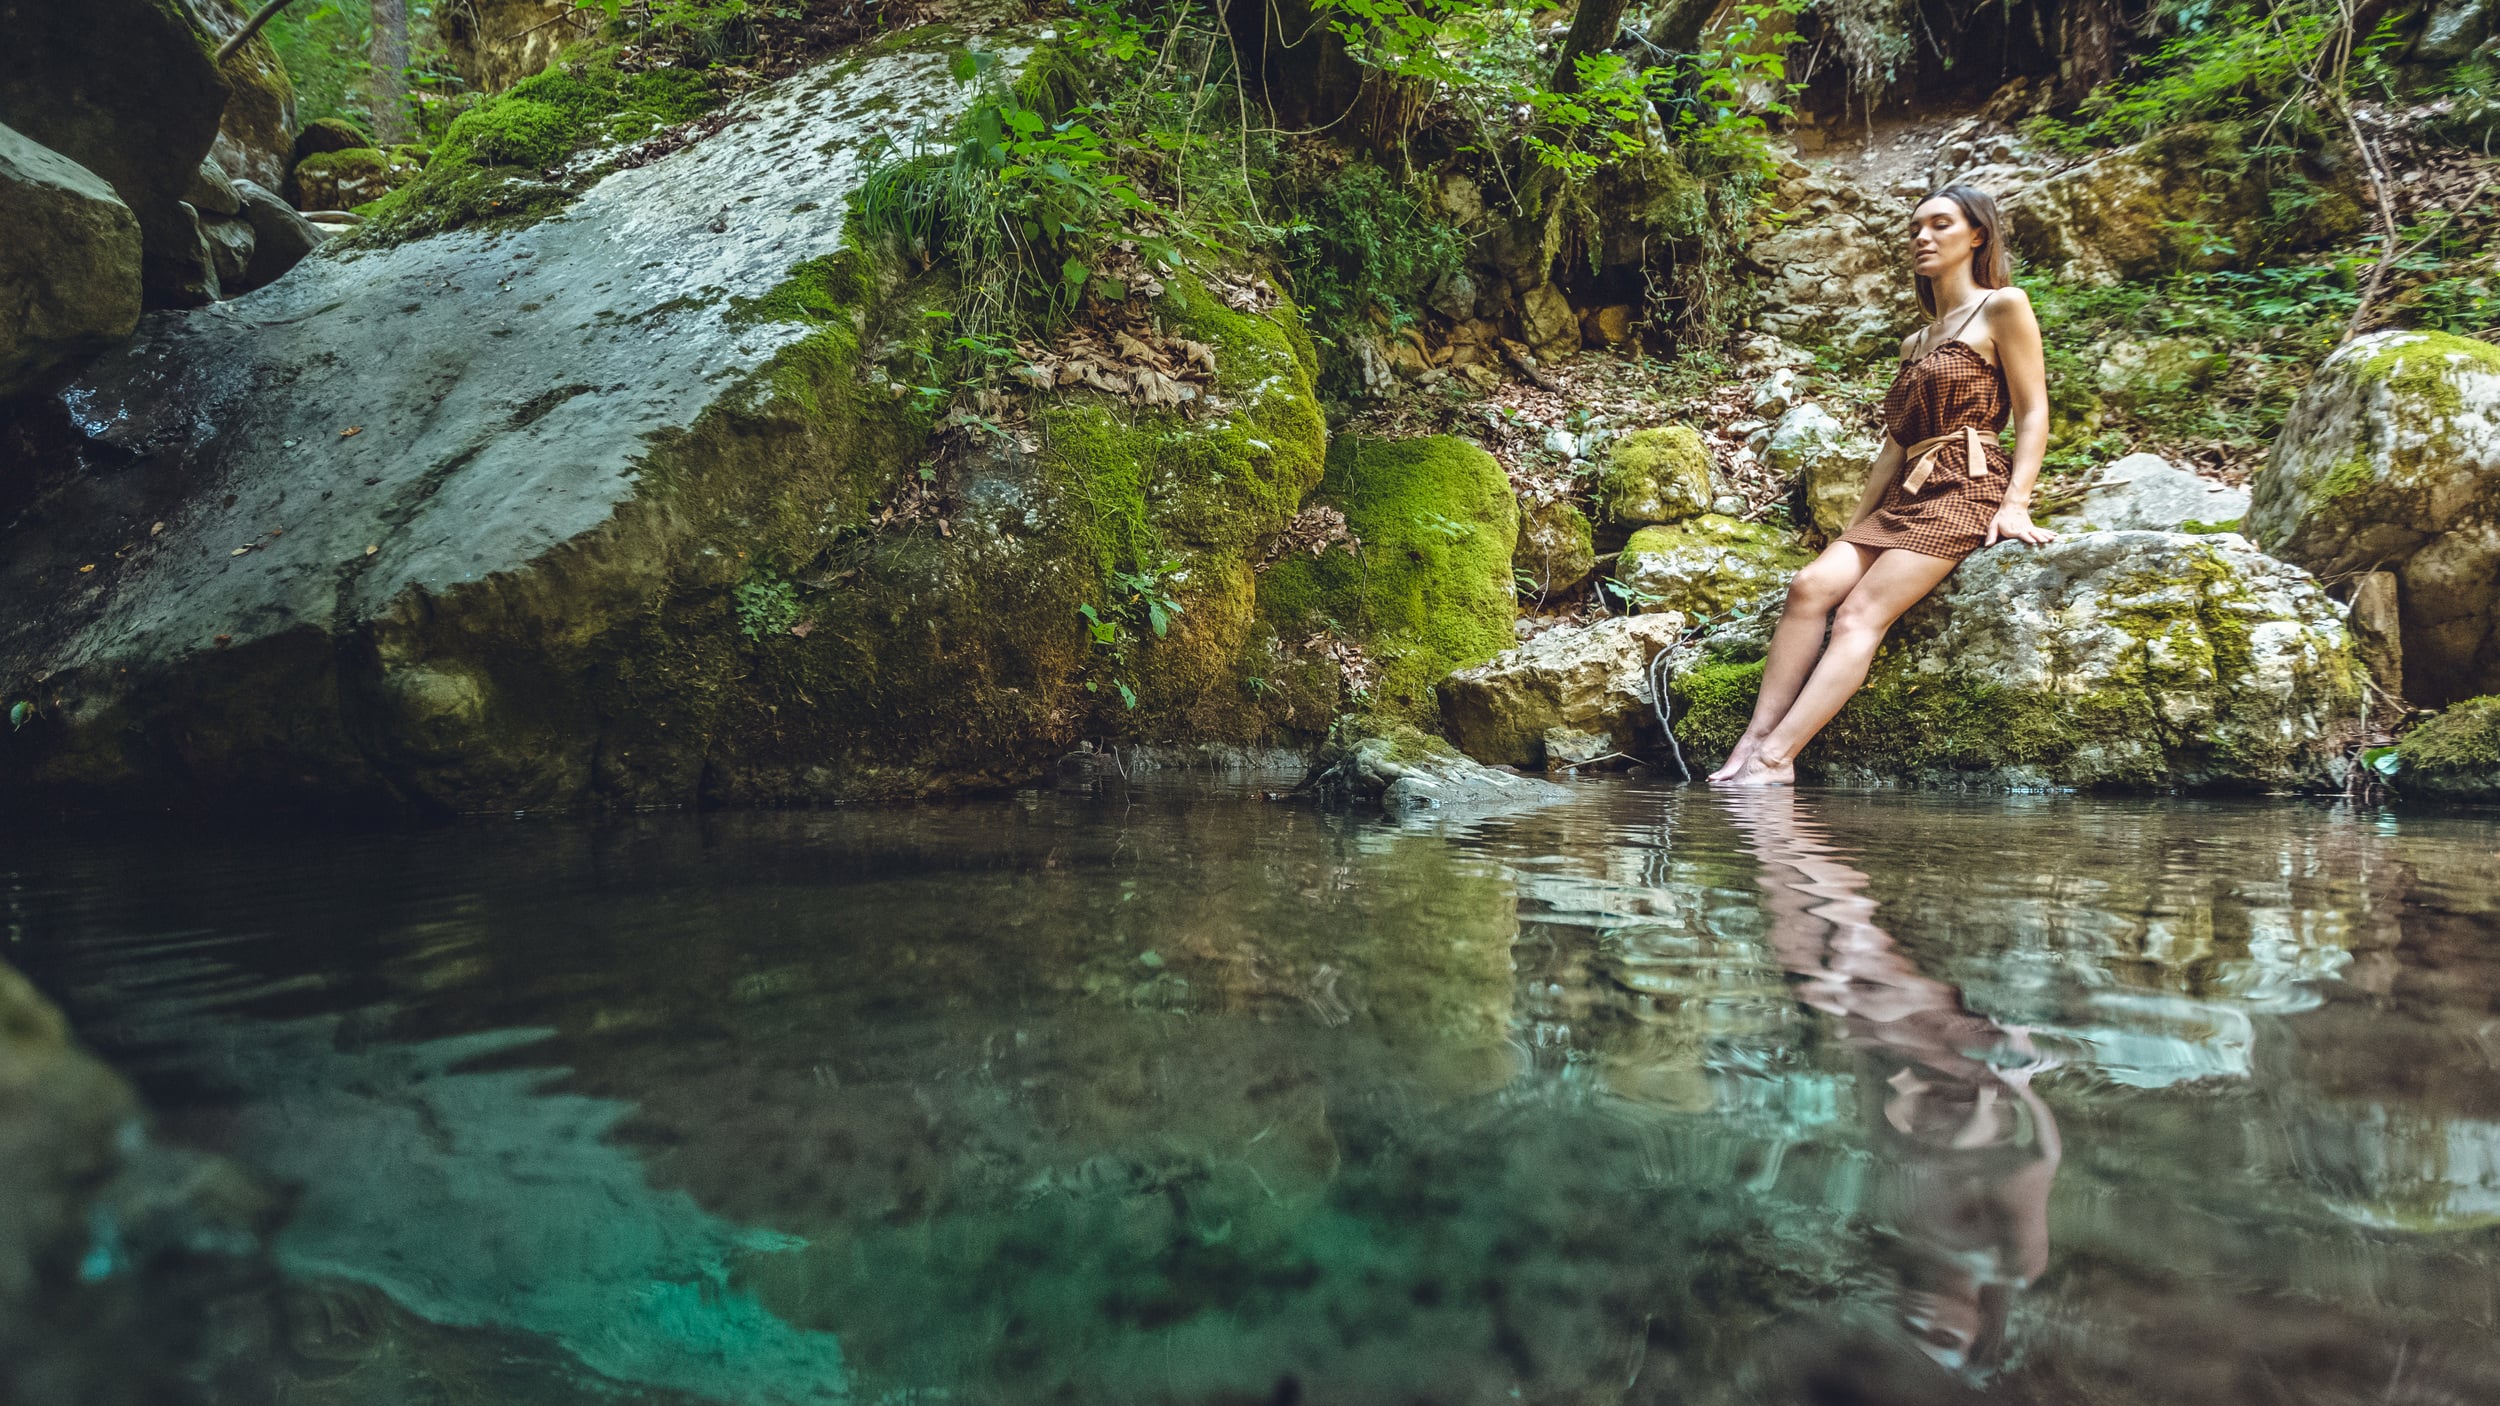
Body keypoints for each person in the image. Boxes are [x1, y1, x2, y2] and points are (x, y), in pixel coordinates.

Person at [1711, 185, 2058, 787]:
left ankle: (1777, 759)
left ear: (1977, 236)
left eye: (1941, 225)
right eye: (1915, 228)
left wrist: (2015, 503)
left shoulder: (2005, 306)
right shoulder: (1915, 342)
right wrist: (1854, 529)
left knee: (1859, 614)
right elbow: (1894, 446)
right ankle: (1753, 739)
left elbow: (2033, 412)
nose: (1923, 237)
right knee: (1810, 585)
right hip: (1906, 496)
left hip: (1967, 486)